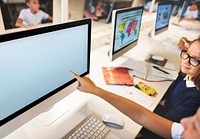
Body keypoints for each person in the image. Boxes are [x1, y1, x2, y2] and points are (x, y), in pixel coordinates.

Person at [69, 37, 200, 138]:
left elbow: (161, 120)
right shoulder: (187, 75)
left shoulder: (196, 96)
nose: (186, 60)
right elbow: (170, 94)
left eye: (195, 60)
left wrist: (95, 90)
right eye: (187, 54)